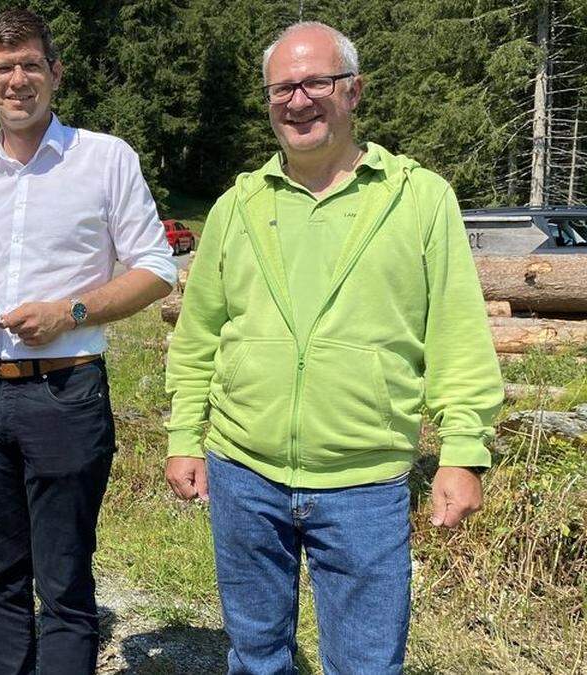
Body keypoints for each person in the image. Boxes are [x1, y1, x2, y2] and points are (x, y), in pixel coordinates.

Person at [164, 22, 504, 673]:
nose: (297, 100)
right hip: (243, 471)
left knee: (368, 663)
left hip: (364, 481)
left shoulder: (417, 199)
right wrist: (185, 433)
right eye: (281, 88)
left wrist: (465, 451)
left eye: (315, 82)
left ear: (353, 91)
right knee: (256, 655)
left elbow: (458, 337)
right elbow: (200, 332)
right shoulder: (239, 204)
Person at [0, 10, 177, 674]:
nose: (18, 80)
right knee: (0, 574)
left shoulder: (104, 159)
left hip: (65, 394)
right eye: (4, 68)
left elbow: (157, 269)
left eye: (31, 65)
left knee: (65, 585)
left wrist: (69, 311)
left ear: (55, 73)